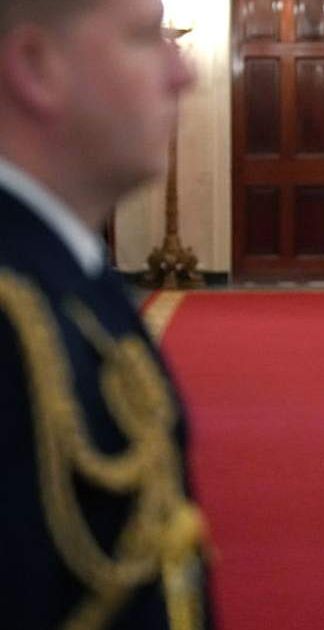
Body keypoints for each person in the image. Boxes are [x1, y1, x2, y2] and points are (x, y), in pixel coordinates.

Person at [0, 0, 205, 628]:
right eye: (145, 39)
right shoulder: (14, 315)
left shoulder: (66, 267)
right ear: (37, 66)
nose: (184, 75)